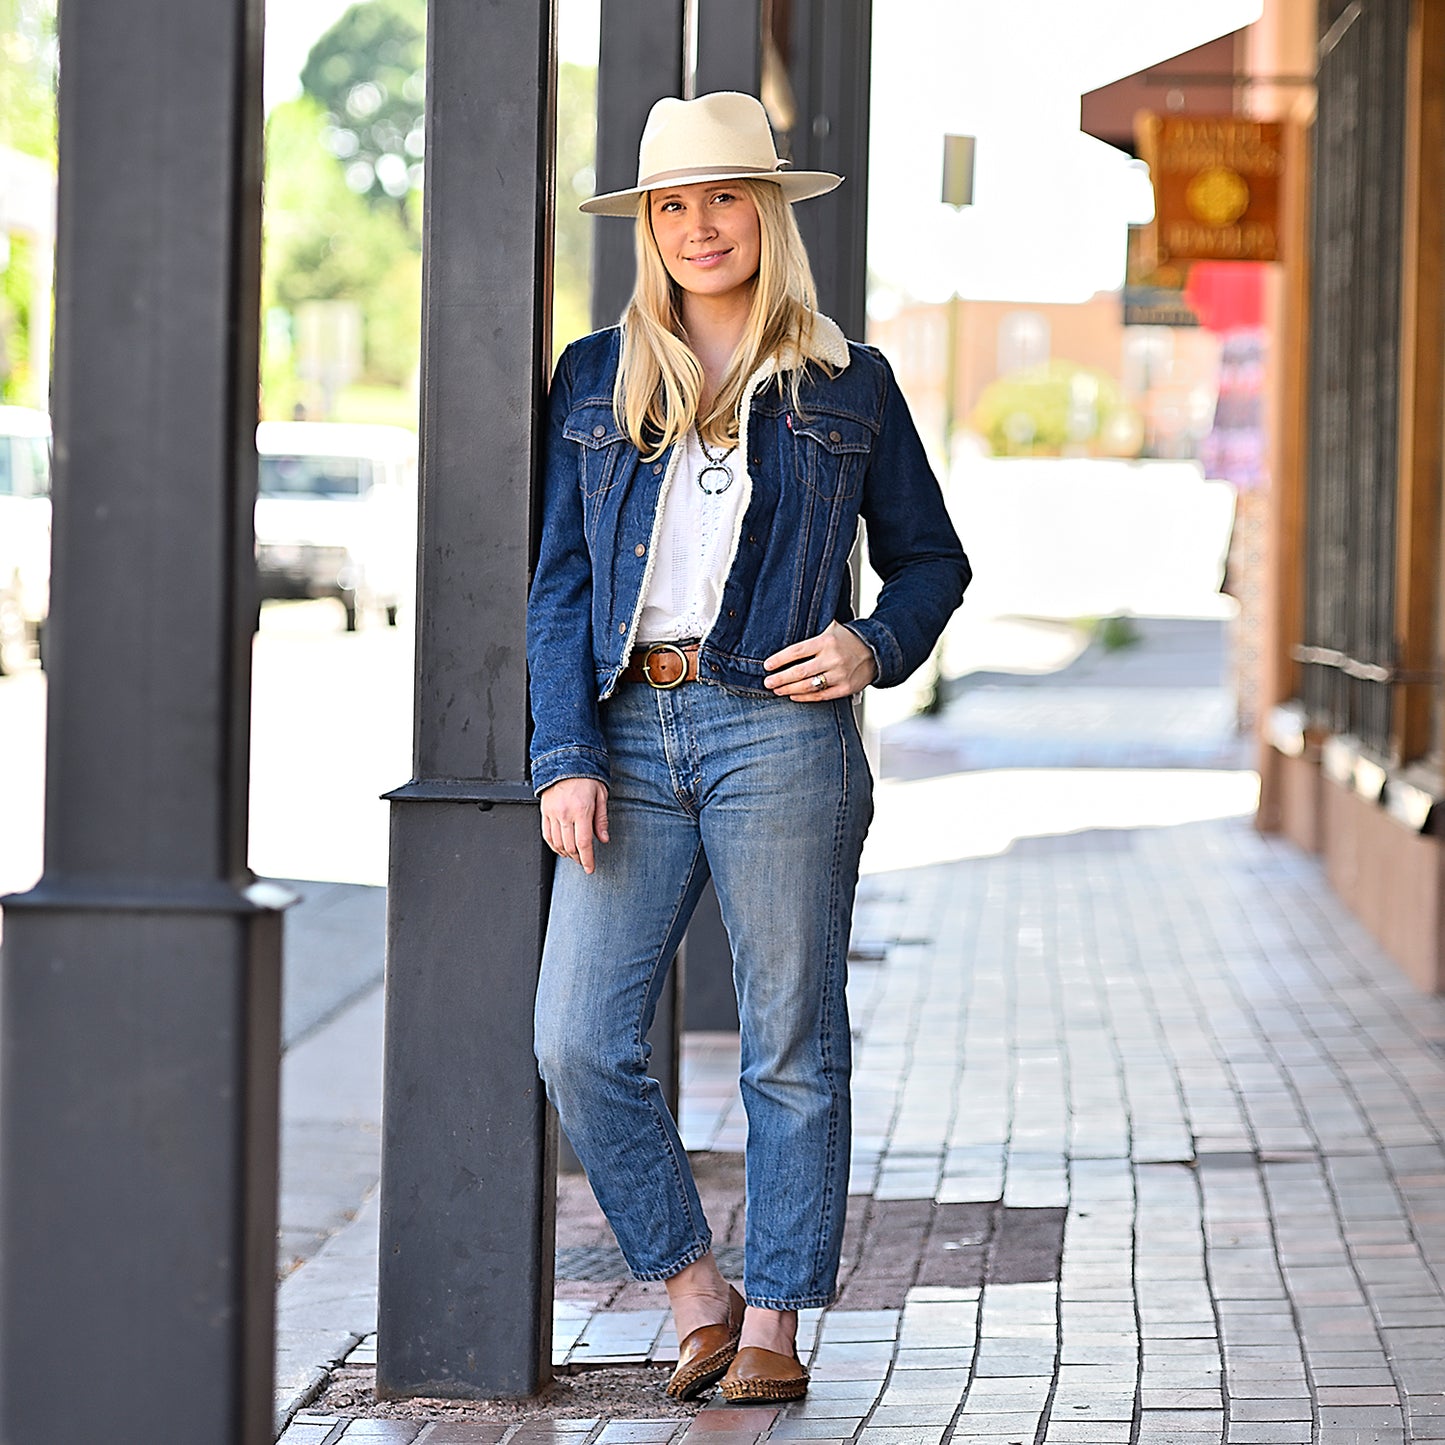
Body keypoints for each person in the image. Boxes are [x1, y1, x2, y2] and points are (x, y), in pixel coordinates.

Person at [528, 92, 969, 1403]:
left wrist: (870, 645)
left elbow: (931, 560)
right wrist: (564, 752)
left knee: (789, 1039)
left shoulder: (847, 381)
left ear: (766, 213)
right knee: (575, 1037)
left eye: (724, 196)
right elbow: (559, 583)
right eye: (672, 204)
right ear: (648, 228)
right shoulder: (594, 376)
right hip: (625, 729)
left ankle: (772, 1319)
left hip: (779, 732)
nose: (699, 225)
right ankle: (693, 1291)